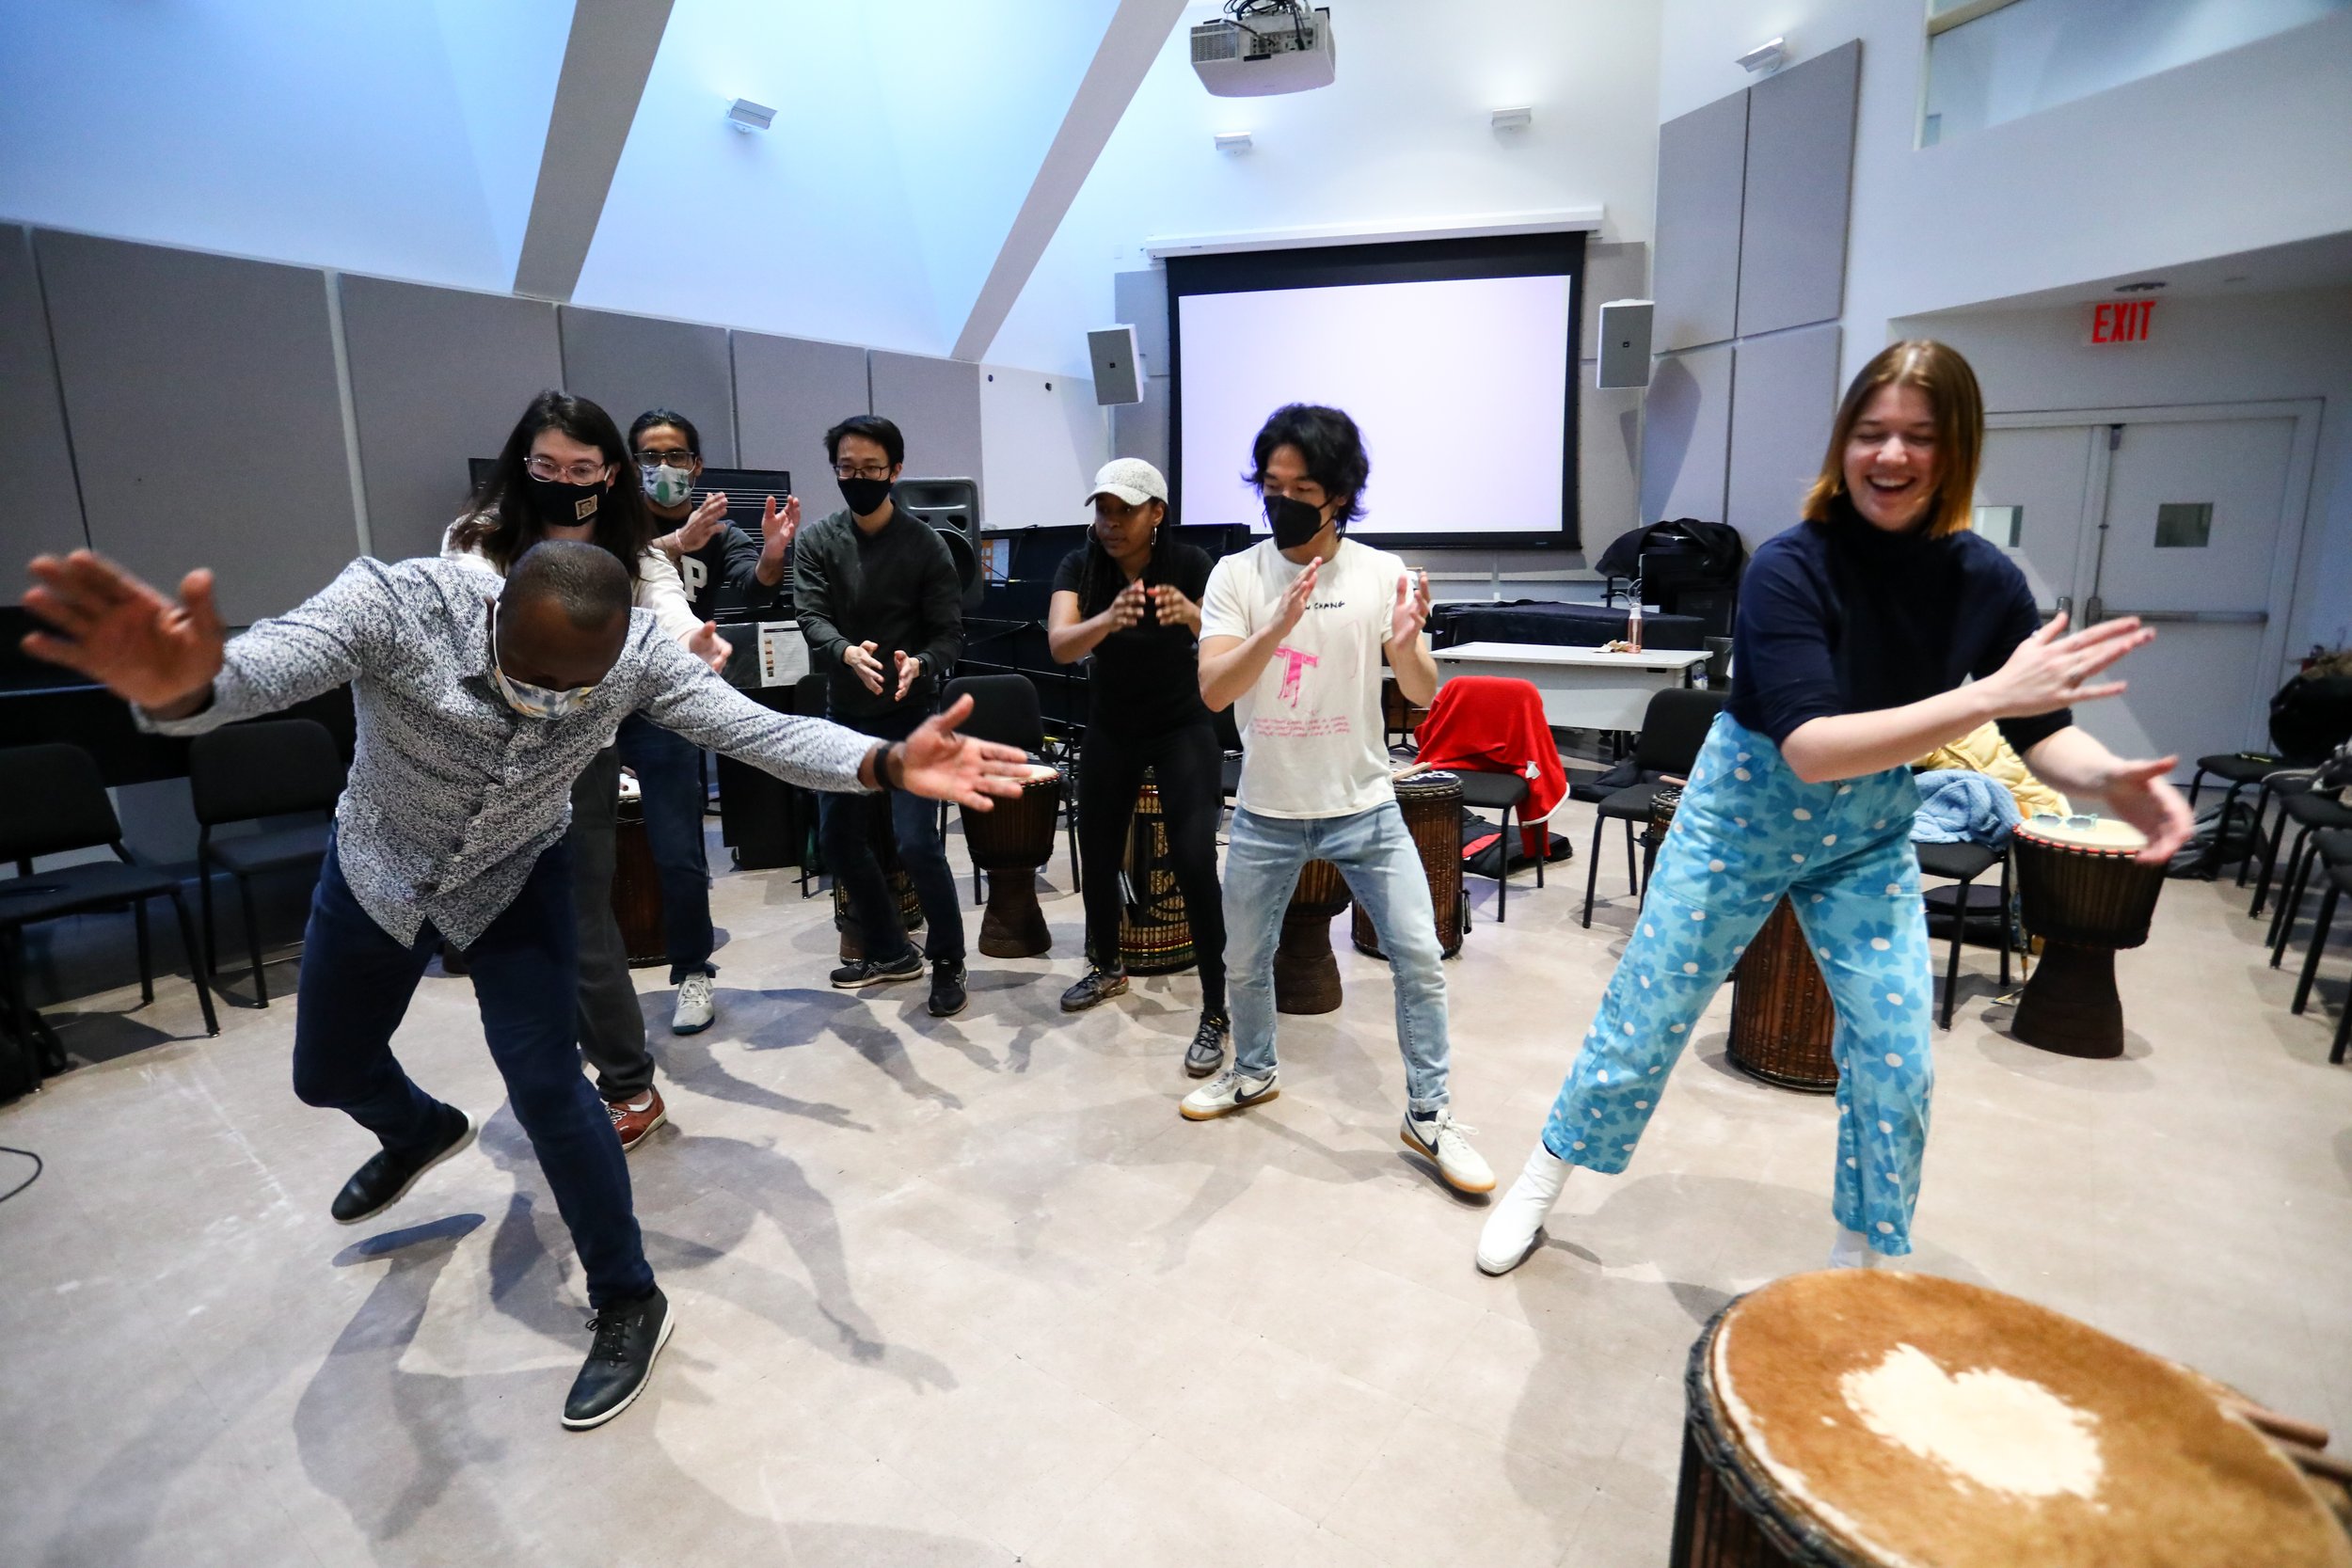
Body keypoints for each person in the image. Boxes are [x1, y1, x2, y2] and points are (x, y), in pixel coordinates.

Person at [20, 540, 1030, 1429]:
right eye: (530, 676)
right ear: (493, 611)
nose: (547, 702)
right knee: (325, 1073)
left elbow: (755, 730)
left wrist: (886, 760)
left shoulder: (635, 655)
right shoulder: (399, 603)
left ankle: (629, 1296)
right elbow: (264, 666)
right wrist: (187, 687)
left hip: (518, 875)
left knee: (549, 1084)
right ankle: (416, 1127)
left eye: (571, 692)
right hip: (379, 862)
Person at [1474, 341, 2194, 1277]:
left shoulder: (1984, 579)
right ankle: (1546, 1171)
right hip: (1741, 817)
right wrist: (1987, 696)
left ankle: (1863, 1252)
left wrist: (2107, 781)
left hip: (1866, 833)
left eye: (1918, 437)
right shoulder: (1788, 566)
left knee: (1897, 1053)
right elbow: (1812, 747)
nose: (1889, 456)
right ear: (1843, 443)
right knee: (1645, 1013)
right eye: (1871, 432)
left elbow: (2041, 725)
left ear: (1956, 450)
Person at [1184, 404, 1494, 1196]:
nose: (1282, 500)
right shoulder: (1237, 575)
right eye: (1271, 484)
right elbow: (1216, 687)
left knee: (1420, 957)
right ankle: (1253, 1072)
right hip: (1266, 808)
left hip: (1363, 803)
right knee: (1243, 962)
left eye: (1302, 487)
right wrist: (1275, 627)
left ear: (1339, 495)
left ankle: (1430, 1113)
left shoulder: (1383, 572)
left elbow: (1422, 693)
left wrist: (1402, 645)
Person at [447, 392, 723, 1152]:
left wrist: (690, 644)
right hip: (495, 760)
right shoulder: (478, 536)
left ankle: (630, 1084)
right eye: (547, 464)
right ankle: (553, 1068)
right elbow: (473, 617)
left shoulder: (628, 546)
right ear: (522, 463)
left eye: (582, 467)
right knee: (508, 922)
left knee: (582, 918)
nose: (563, 479)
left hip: (582, 755)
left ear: (608, 474)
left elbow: (665, 606)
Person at [1047, 458, 1230, 1074]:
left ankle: (1215, 1006)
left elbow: (1230, 644)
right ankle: (1106, 964)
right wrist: (1107, 619)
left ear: (1157, 513)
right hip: (1112, 728)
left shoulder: (1192, 564)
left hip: (1183, 727)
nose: (1112, 522)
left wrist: (1194, 616)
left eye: (1126, 510)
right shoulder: (1080, 565)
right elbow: (1060, 643)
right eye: (1104, 509)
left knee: (1195, 857)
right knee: (1096, 851)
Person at [624, 408, 798, 1037]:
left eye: (675, 456)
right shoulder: (616, 525)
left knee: (676, 844)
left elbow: (755, 585)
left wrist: (775, 550)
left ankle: (692, 970)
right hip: (597, 697)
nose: (663, 468)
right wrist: (670, 543)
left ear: (696, 464)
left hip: (673, 700)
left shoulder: (721, 530)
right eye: (650, 455)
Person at [793, 414, 969, 1018]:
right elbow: (811, 616)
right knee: (838, 840)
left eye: (871, 469)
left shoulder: (926, 546)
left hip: (913, 717)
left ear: (895, 470)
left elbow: (949, 635)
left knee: (918, 842)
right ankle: (892, 949)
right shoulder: (818, 540)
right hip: (843, 715)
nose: (859, 478)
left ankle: (948, 959)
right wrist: (844, 651)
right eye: (847, 469)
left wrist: (921, 663)